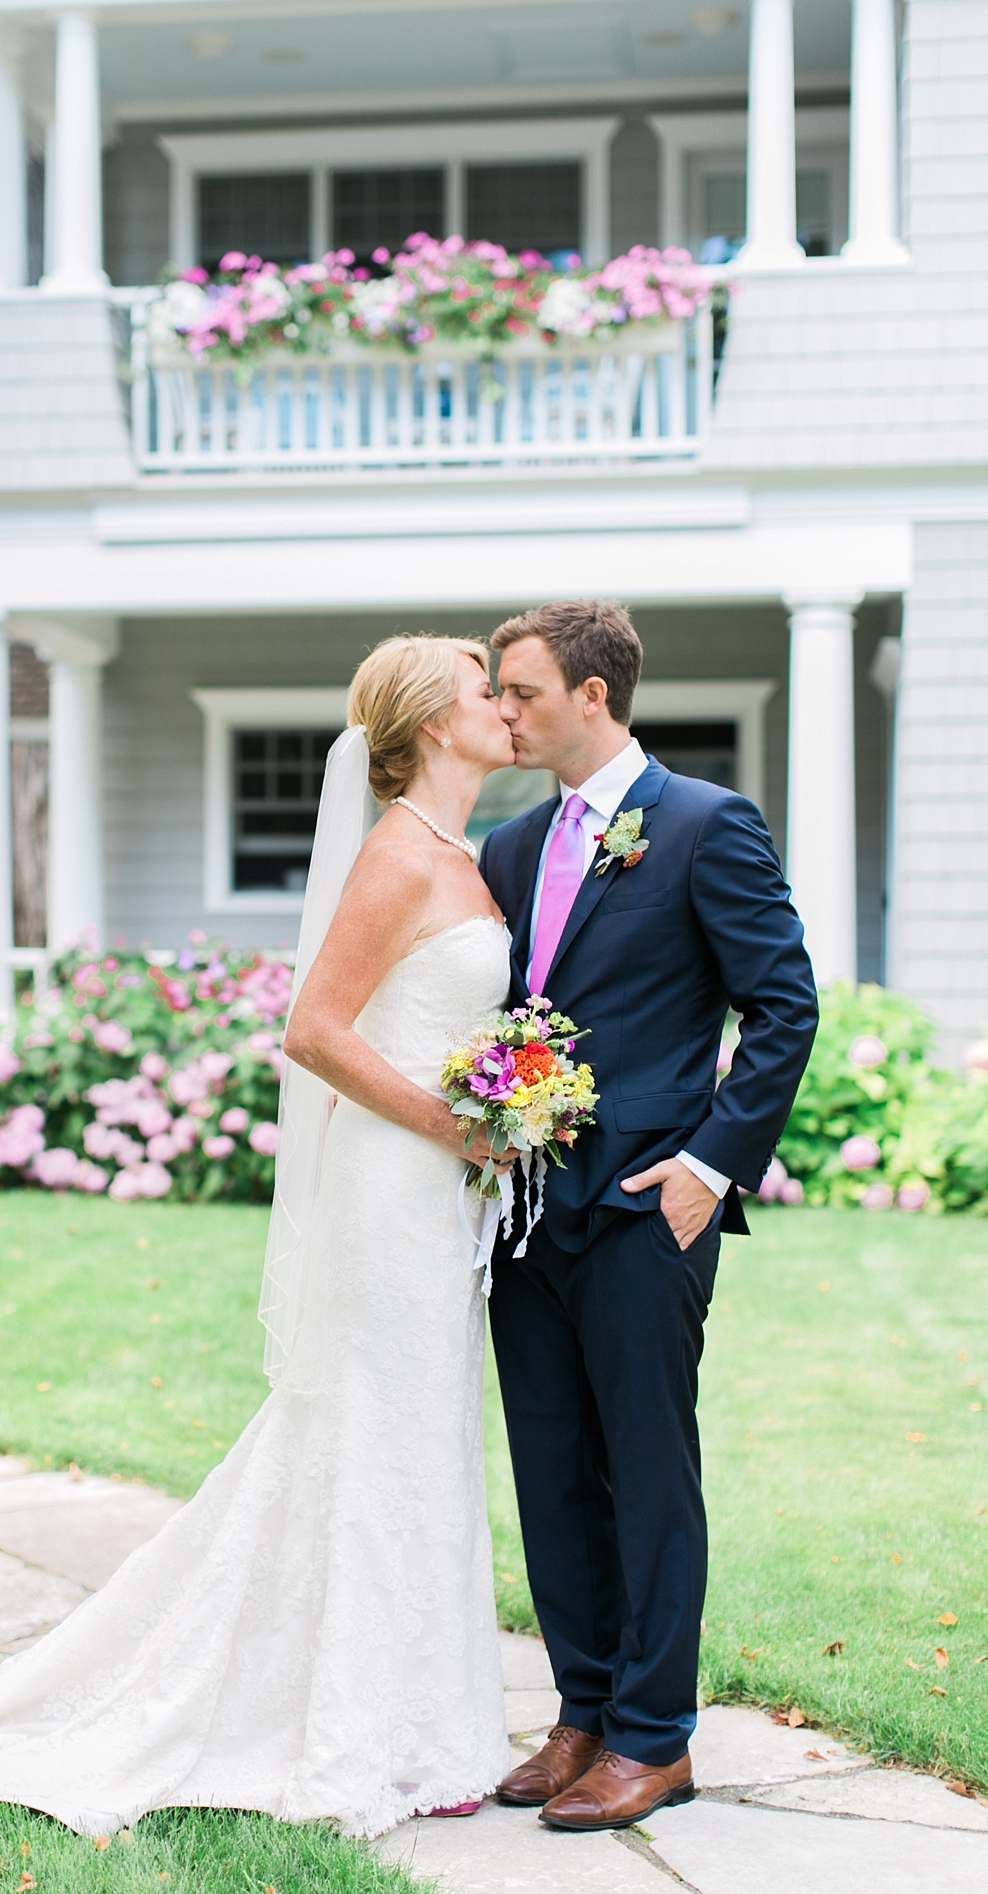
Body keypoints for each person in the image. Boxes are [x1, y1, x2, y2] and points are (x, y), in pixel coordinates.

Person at [0, 635, 519, 1839]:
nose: (502, 704)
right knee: (375, 1434)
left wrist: (502, 1106)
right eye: (484, 688)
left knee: (420, 1437)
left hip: (442, 1192)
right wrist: (450, 1120)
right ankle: (354, 1730)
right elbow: (314, 1032)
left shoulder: (464, 854)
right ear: (433, 722)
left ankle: (425, 1725)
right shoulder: (394, 857)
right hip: (391, 1186)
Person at [479, 600, 818, 1834]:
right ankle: (579, 1711)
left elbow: (782, 1006)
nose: (500, 712)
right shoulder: (509, 852)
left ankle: (654, 1736)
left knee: (643, 1465)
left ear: (590, 695)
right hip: (521, 1212)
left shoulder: (702, 825)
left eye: (517, 692)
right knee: (552, 1465)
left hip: (644, 1208)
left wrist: (707, 1167)